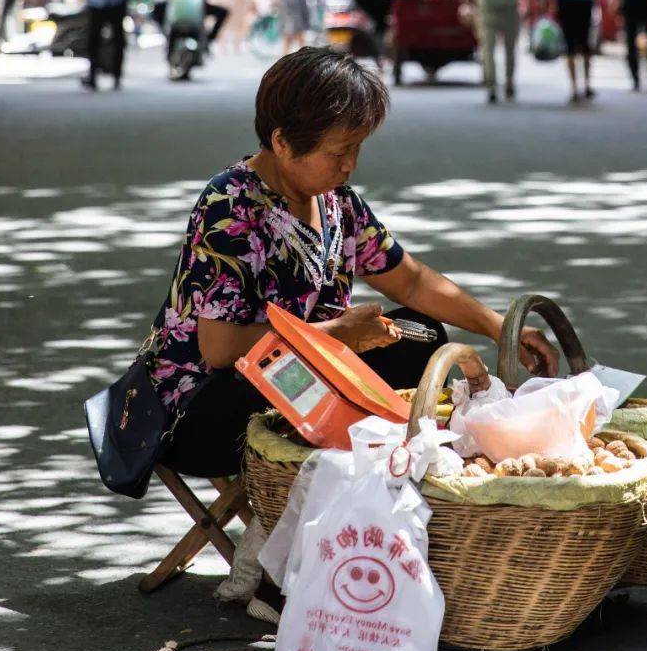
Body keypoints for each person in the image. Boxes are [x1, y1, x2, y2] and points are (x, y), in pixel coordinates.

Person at [144, 48, 559, 479]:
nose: (350, 165)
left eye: (356, 148)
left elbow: (411, 282)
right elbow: (220, 347)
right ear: (283, 143)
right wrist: (337, 335)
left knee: (423, 335)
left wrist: (499, 327)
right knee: (326, 384)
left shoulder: (337, 203)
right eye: (337, 152)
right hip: (204, 411)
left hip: (307, 376)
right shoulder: (229, 206)